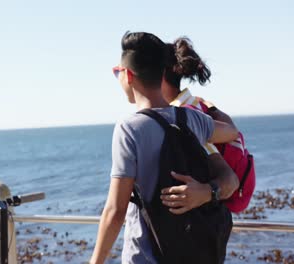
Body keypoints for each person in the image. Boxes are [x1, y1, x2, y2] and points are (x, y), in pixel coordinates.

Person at [89, 32, 239, 264]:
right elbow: (231, 131)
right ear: (162, 74)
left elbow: (115, 210)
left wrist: (95, 261)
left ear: (128, 75)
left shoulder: (129, 127)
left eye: (117, 71)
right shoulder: (191, 119)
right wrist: (210, 108)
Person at [161, 37, 255, 213]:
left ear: (160, 75)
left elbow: (230, 180)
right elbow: (233, 132)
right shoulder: (197, 103)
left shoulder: (184, 116)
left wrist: (205, 193)